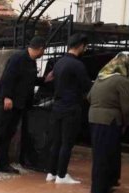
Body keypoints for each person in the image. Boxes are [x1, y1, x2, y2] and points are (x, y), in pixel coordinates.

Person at [0, 36, 52, 176]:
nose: (43, 53)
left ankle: (2, 164)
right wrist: (7, 97)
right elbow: (8, 77)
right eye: (44, 50)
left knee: (9, 134)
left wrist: (44, 80)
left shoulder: (32, 62)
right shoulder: (18, 58)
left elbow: (28, 81)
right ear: (40, 49)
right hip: (6, 102)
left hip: (19, 105)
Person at [87, 51, 129, 193]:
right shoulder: (122, 81)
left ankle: (103, 184)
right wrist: (128, 122)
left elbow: (89, 97)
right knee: (106, 154)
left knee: (100, 153)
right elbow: (126, 106)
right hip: (109, 121)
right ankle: (99, 189)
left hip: (94, 118)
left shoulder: (101, 77)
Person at [48, 33, 92, 185]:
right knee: (67, 143)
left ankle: (52, 173)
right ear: (80, 46)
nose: (85, 49)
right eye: (85, 47)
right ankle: (62, 175)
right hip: (71, 108)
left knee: (57, 142)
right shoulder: (77, 65)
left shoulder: (59, 63)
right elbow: (87, 86)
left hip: (57, 106)